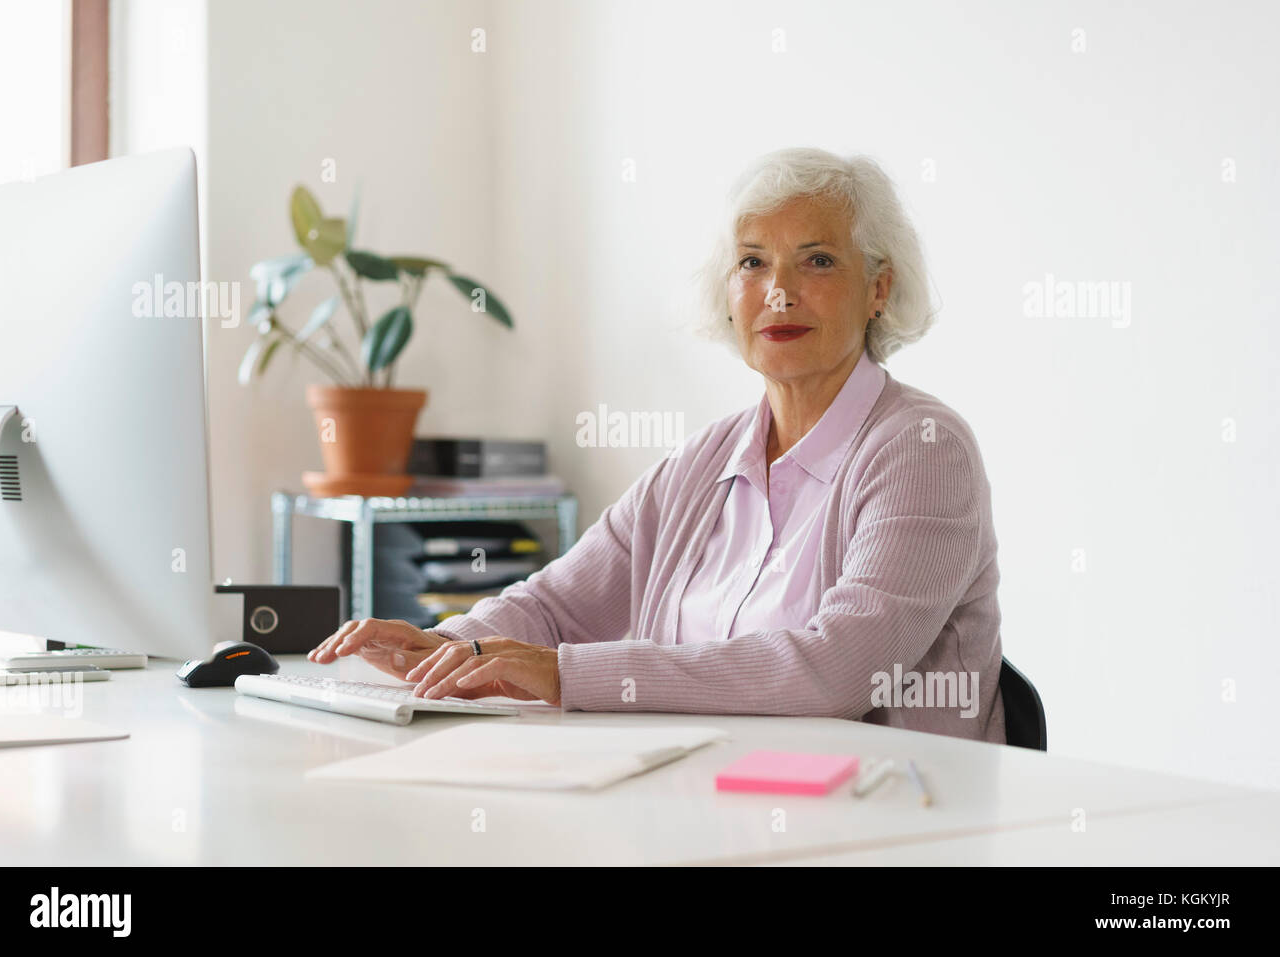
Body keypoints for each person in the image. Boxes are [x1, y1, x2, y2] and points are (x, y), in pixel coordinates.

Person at [309, 146, 1005, 742]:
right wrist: (455, 644)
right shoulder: (703, 462)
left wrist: (566, 673)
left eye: (817, 261)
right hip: (696, 804)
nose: (780, 292)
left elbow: (839, 670)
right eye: (753, 263)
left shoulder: (923, 449)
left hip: (882, 829)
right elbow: (555, 606)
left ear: (878, 287)